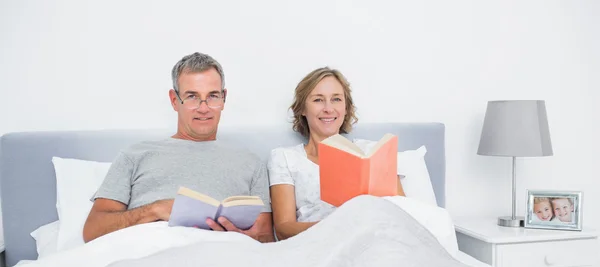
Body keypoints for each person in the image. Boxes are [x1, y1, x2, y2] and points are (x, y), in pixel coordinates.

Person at [83, 52, 274, 243]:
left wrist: (240, 237)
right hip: (149, 252)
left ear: (223, 98)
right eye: (192, 96)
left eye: (213, 96)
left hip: (221, 256)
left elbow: (266, 239)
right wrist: (154, 209)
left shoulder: (252, 163)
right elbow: (93, 229)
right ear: (174, 100)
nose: (204, 108)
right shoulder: (135, 155)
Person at [267, 67, 404, 240]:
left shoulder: (371, 152)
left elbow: (403, 213)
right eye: (318, 100)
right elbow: (284, 228)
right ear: (302, 108)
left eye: (336, 99)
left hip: (372, 240)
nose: (328, 109)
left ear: (346, 108)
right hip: (317, 244)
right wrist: (336, 228)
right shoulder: (285, 158)